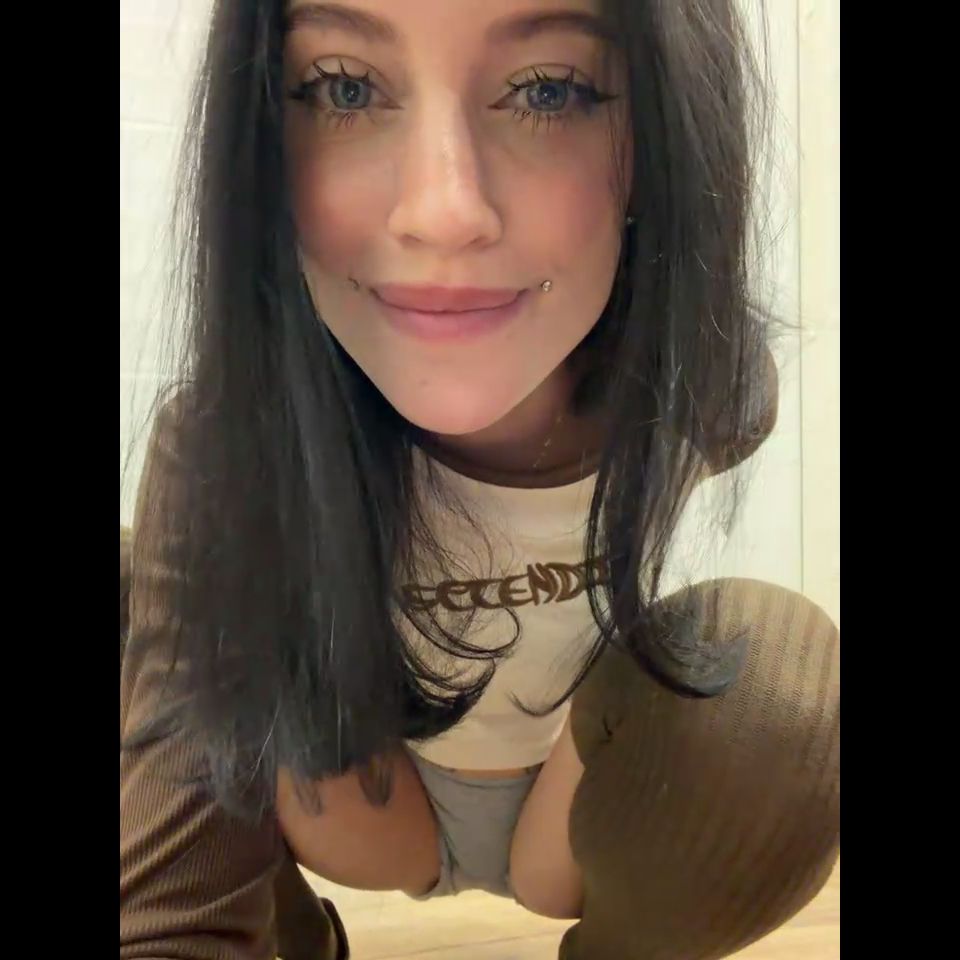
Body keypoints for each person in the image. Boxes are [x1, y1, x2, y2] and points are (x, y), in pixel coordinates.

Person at [120, 2, 839, 958]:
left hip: (572, 805)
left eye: (549, 91)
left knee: (777, 681)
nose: (444, 212)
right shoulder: (230, 437)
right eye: (346, 88)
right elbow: (167, 910)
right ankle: (286, 934)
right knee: (155, 584)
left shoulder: (707, 392)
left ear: (660, 136)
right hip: (368, 797)